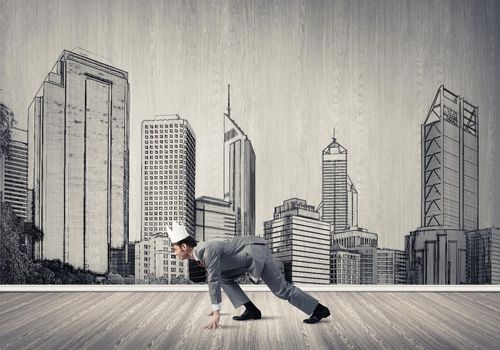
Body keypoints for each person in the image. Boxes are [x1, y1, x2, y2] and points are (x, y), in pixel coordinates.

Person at [167, 222, 331, 330]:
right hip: (241, 260)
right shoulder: (201, 253)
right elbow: (216, 277)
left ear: (183, 246)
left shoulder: (207, 250)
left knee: (281, 290)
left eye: (174, 249)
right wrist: (215, 306)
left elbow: (213, 279)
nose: (174, 254)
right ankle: (252, 310)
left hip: (255, 252)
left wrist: (216, 312)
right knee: (224, 278)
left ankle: (319, 310)